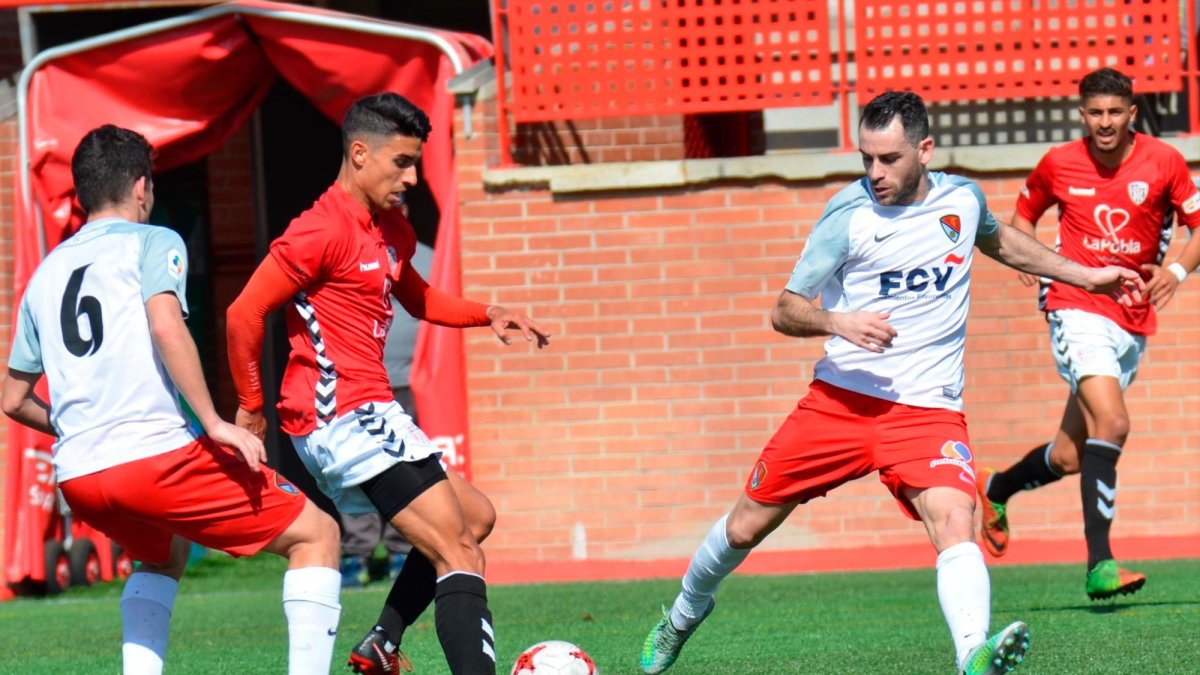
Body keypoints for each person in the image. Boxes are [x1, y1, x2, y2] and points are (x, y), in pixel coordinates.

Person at [638, 91, 1144, 675]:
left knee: (958, 518)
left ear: (925, 150)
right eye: (867, 159)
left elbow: (998, 239)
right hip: (841, 404)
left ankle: (972, 656)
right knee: (744, 526)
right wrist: (837, 320)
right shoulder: (847, 216)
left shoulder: (961, 199)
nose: (876, 173)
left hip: (928, 413)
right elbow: (784, 309)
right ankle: (683, 613)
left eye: (890, 159)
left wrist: (1086, 276)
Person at [226, 92, 550, 675]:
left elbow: (418, 298)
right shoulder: (318, 231)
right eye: (402, 161)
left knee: (475, 518)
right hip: (341, 416)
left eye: (417, 161)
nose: (414, 176)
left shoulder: (391, 227)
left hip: (368, 411)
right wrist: (251, 408)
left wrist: (487, 312)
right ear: (359, 154)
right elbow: (243, 313)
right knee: (459, 551)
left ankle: (381, 642)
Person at [1, 125, 343, 675]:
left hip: (81, 476)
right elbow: (165, 324)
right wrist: (212, 421)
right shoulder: (154, 240)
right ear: (142, 186)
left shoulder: (43, 276)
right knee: (317, 534)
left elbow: (14, 400)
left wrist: (78, 429)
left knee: (162, 554)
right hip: (154, 459)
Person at [976, 67, 1200, 600]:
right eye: (1094, 113)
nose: (1104, 123)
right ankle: (1100, 564)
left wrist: (1175, 272)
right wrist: (1028, 258)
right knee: (1114, 421)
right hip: (1073, 304)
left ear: (1131, 113)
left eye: (1114, 112)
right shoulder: (1059, 163)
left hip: (1131, 316)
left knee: (1072, 455)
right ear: (1082, 114)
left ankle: (996, 487)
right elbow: (1022, 216)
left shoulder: (1164, 162)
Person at [338, 231, 433, 589]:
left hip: (407, 383)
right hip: (355, 385)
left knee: (404, 470)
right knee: (354, 467)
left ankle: (400, 550)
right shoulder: (344, 246)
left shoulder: (427, 256)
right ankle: (356, 554)